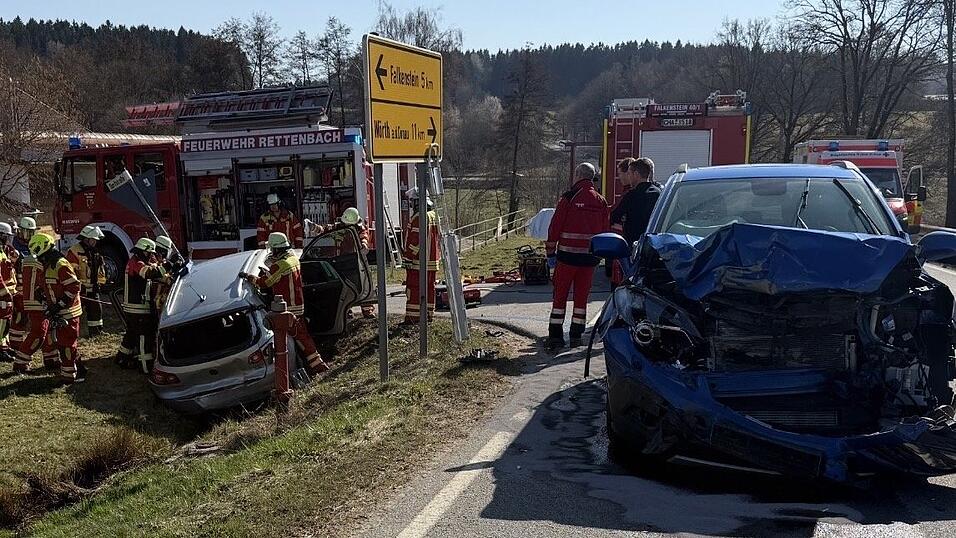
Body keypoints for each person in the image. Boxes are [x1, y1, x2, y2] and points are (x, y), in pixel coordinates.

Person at [241, 232, 329, 375]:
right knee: (302, 336)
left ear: (276, 248)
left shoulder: (280, 265)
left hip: (288, 308)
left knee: (300, 338)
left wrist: (249, 277)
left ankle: (318, 366)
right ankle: (315, 364)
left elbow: (265, 283)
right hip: (298, 304)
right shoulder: (293, 258)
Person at [546, 162, 610, 349]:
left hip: (567, 257)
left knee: (560, 296)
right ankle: (576, 335)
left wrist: (550, 252)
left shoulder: (569, 197)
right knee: (582, 298)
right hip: (589, 259)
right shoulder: (600, 201)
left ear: (577, 175)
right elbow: (605, 231)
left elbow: (555, 227)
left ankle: (556, 336)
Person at [30, 233, 85, 383]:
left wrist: (58, 305)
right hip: (57, 310)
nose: (40, 259)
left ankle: (69, 377)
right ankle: (77, 367)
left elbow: (73, 288)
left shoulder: (61, 264)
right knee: (62, 342)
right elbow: (44, 285)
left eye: (41, 255)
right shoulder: (47, 264)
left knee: (67, 343)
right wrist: (42, 298)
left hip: (69, 312)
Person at [115, 238, 166, 373]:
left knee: (132, 334)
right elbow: (148, 273)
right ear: (144, 251)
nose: (152, 256)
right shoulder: (136, 263)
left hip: (134, 308)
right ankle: (146, 367)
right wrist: (166, 267)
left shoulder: (138, 260)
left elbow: (154, 271)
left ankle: (122, 358)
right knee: (144, 336)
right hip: (137, 308)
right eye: (150, 253)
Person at [10, 217, 47, 373]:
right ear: (19, 231)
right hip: (18, 290)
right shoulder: (13, 247)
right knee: (19, 320)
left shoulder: (33, 246)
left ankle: (18, 347)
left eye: (31, 232)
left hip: (30, 290)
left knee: (25, 320)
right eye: (26, 232)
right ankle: (15, 346)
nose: (29, 235)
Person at [402, 187, 440, 324]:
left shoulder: (419, 217)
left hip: (418, 262)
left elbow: (415, 240)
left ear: (418, 202)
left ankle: (414, 318)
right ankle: (428, 316)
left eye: (412, 202)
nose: (411, 205)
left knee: (415, 289)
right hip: (432, 262)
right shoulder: (434, 215)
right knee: (430, 289)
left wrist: (408, 258)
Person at [66, 225, 107, 337]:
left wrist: (100, 283)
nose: (95, 242)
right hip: (80, 290)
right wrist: (78, 285)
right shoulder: (74, 252)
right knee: (74, 312)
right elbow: (69, 272)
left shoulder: (96, 252)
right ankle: (72, 334)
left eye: (96, 240)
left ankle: (96, 334)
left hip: (93, 289)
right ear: (86, 238)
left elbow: (100, 271)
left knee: (96, 311)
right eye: (93, 240)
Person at [610, 157, 661, 246]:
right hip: (654, 244)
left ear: (636, 174)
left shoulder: (631, 195)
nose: (628, 177)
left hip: (633, 244)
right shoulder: (659, 194)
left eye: (629, 174)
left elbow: (614, 217)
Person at [0, 223, 18, 361]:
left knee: (6, 321)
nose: (9, 240)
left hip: (8, 292)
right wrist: (4, 292)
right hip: (2, 294)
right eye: (7, 237)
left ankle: (5, 347)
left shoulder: (3, 250)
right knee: (1, 322)